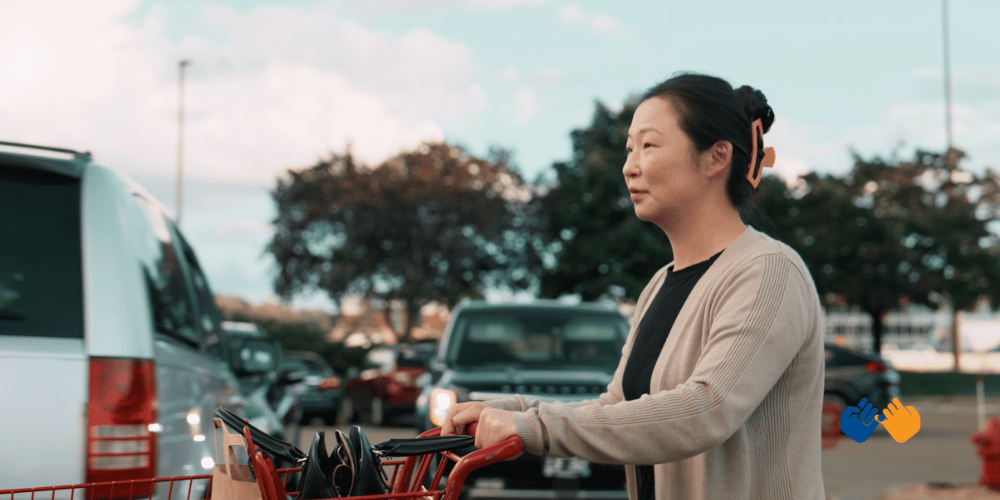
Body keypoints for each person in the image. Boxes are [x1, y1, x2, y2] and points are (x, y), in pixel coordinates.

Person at [441, 72, 826, 500]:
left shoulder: (769, 272)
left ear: (716, 158)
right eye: (629, 148)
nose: (629, 165)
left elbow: (705, 410)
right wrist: (512, 409)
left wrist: (535, 427)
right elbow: (618, 411)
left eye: (648, 145)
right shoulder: (660, 284)